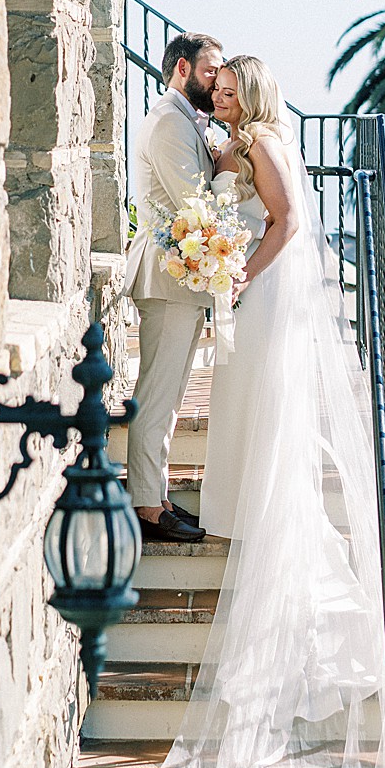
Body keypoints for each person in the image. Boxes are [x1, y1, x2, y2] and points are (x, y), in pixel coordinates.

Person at [150, 56, 385, 768]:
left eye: (226, 91)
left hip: (258, 301)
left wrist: (238, 278)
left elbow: (284, 223)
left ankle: (254, 515)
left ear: (248, 97)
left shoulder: (254, 143)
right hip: (253, 301)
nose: (216, 97)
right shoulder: (250, 141)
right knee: (250, 410)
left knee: (255, 408)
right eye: (214, 90)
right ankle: (244, 506)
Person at [124, 32, 223, 543]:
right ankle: (145, 505)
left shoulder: (188, 122)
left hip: (183, 279)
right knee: (158, 395)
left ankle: (156, 495)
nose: (217, 79)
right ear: (182, 68)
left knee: (171, 396)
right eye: (210, 70)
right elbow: (195, 200)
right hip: (166, 275)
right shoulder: (168, 122)